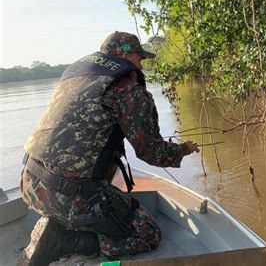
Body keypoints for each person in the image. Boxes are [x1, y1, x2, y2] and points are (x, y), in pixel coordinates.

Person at [18, 31, 199, 265]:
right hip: (67, 195)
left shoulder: (76, 76)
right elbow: (151, 153)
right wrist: (183, 149)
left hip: (29, 183)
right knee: (147, 234)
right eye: (139, 58)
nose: (141, 66)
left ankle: (59, 222)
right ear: (123, 54)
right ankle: (66, 241)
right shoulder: (127, 90)